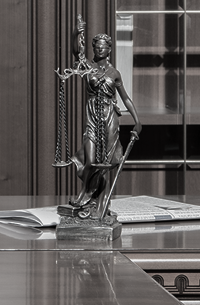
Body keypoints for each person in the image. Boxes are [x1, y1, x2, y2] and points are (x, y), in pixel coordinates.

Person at [60, 19, 141, 219]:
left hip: (109, 118)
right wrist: (75, 34)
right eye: (96, 48)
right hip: (92, 117)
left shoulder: (115, 73)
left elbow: (126, 99)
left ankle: (96, 199)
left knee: (104, 162)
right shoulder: (88, 66)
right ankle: (85, 193)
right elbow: (76, 53)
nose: (99, 51)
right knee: (90, 159)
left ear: (109, 50)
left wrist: (137, 121)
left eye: (103, 48)